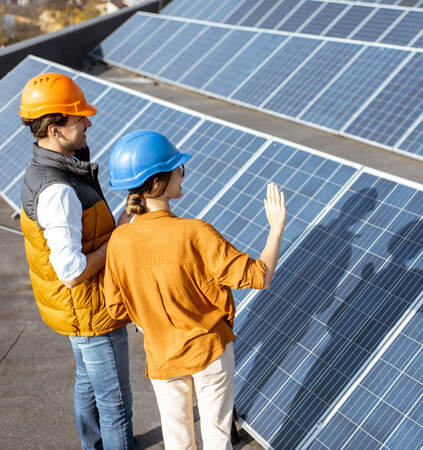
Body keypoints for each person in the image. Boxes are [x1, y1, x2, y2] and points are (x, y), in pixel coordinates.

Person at [103, 130, 286, 450]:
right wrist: (276, 228)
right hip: (209, 351)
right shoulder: (195, 233)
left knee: (178, 442)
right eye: (178, 168)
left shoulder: (119, 241)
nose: (182, 174)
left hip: (161, 358)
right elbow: (260, 276)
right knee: (217, 438)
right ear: (159, 180)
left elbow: (116, 309)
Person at [18, 73, 133, 449]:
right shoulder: (57, 190)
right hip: (90, 312)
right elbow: (71, 271)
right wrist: (118, 241)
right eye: (78, 116)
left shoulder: (50, 168)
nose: (88, 122)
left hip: (78, 312)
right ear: (54, 128)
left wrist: (124, 219)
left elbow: (83, 234)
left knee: (88, 382)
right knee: (116, 406)